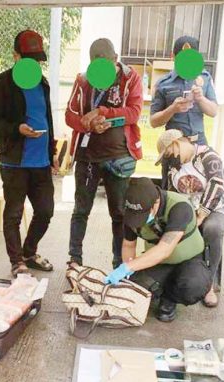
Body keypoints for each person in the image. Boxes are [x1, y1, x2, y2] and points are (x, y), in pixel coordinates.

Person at [0, 30, 59, 277]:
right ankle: (17, 261)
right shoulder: (1, 83)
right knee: (14, 213)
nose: (34, 65)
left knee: (45, 210)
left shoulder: (43, 83)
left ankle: (29, 252)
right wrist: (17, 129)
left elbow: (47, 118)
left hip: (41, 161)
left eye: (37, 61)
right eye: (28, 60)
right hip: (15, 161)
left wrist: (52, 152)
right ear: (15, 55)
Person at [65, 38, 143, 269]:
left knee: (119, 213)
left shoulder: (131, 78)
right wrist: (89, 124)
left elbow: (134, 113)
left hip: (119, 158)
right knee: (80, 210)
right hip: (87, 158)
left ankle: (119, 264)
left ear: (115, 60)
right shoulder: (83, 80)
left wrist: (103, 112)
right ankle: (74, 259)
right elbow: (70, 116)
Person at [105, 178, 213, 322]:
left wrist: (127, 267)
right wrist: (127, 276)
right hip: (158, 263)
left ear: (155, 203)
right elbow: (129, 245)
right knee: (134, 289)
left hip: (189, 261)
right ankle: (160, 289)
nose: (139, 220)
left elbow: (164, 250)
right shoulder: (131, 212)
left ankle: (170, 298)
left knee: (193, 286)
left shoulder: (180, 207)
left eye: (143, 214)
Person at [156, 129, 224, 307]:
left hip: (214, 209)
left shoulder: (208, 156)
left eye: (169, 152)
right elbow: (171, 193)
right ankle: (176, 281)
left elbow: (217, 183)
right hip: (189, 209)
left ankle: (209, 285)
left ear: (176, 143)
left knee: (213, 229)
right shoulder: (174, 166)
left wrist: (202, 214)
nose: (170, 157)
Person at [149, 36, 218, 189]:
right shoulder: (163, 83)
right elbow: (154, 121)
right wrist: (172, 109)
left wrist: (201, 99)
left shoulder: (205, 78)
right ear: (173, 57)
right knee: (172, 192)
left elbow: (213, 111)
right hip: (175, 147)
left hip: (199, 144)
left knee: (200, 189)